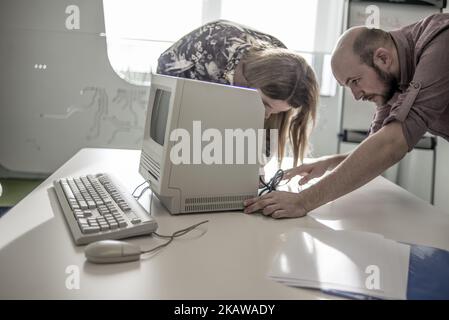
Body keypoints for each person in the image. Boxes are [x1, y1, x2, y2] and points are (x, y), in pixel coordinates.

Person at [244, 13, 449, 218]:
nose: (357, 95)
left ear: (383, 58)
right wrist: (329, 162)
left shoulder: (441, 41)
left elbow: (390, 145)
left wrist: (303, 201)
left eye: (356, 81)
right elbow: (375, 147)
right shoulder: (393, 79)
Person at [157, 19, 319, 169]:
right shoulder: (210, 47)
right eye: (265, 104)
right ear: (251, 80)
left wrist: (254, 168)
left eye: (278, 112)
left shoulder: (287, 73)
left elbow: (265, 143)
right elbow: (164, 74)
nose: (266, 116)